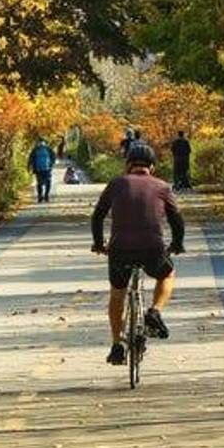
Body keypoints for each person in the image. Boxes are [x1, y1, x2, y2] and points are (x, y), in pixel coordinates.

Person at [91, 142, 185, 366]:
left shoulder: (116, 184)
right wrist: (177, 244)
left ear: (128, 165)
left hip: (119, 249)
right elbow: (177, 220)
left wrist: (98, 244)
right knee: (167, 274)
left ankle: (116, 345)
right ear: (151, 167)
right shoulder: (162, 186)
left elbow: (98, 216)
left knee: (117, 292)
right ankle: (154, 311)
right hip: (152, 248)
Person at [28, 137, 56, 203]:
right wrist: (51, 164)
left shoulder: (35, 149)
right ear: (45, 142)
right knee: (48, 182)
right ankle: (46, 196)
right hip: (47, 169)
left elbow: (31, 159)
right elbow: (53, 157)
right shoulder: (48, 149)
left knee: (39, 183)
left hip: (38, 169)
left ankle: (40, 196)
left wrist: (29, 167)